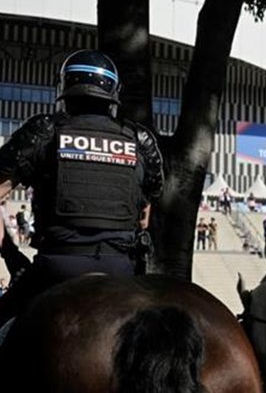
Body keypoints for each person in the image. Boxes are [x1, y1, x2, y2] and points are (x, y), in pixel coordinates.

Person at [0, 49, 164, 327]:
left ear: (65, 89)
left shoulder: (44, 131)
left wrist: (9, 250)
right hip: (121, 269)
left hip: (57, 267)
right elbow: (144, 219)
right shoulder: (141, 141)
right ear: (114, 93)